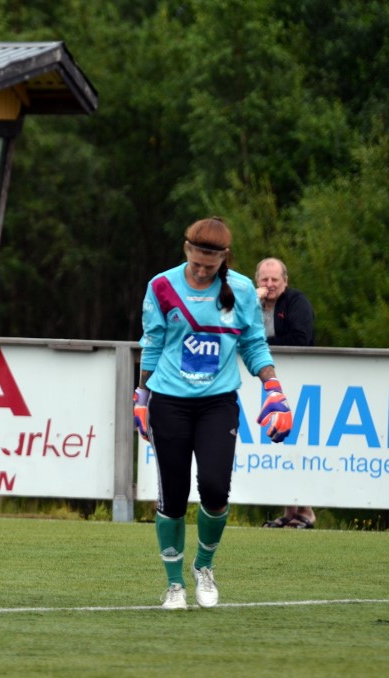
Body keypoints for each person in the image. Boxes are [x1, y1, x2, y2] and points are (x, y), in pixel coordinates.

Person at [133, 217, 293, 610]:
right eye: (196, 264)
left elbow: (253, 344)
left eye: (211, 265)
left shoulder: (241, 290)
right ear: (186, 250)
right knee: (172, 497)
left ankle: (204, 566)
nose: (203, 272)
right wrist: (141, 395)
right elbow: (152, 344)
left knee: (216, 489)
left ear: (224, 257)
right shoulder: (161, 286)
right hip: (169, 401)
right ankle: (174, 585)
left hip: (218, 403)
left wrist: (273, 386)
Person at [255, 257, 317, 529]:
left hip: (299, 382)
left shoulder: (296, 302)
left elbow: (301, 338)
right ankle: (290, 510)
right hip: (264, 383)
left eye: (275, 280)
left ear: (285, 281)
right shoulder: (250, 303)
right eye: (264, 279)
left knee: (300, 442)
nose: (269, 284)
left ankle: (306, 510)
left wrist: (260, 345)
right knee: (276, 442)